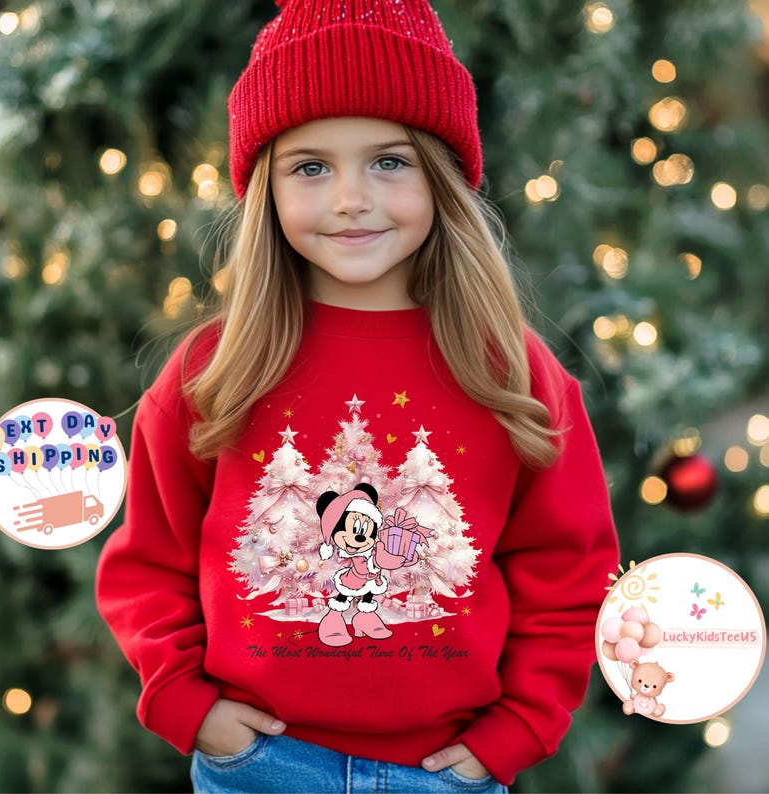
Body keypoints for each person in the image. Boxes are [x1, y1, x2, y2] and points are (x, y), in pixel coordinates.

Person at [95, 1, 620, 792]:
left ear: (442, 176)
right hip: (258, 766)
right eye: (311, 166)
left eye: (389, 161)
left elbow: (569, 576)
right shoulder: (215, 373)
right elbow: (148, 563)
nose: (350, 198)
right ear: (265, 189)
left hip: (445, 772)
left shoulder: (516, 376)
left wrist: (520, 727)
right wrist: (185, 702)